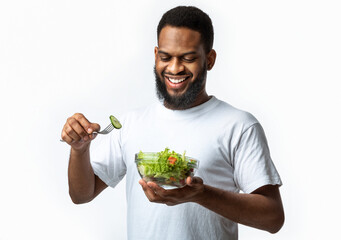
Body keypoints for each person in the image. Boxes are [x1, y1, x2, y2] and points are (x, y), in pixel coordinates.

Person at [61, 6, 284, 240]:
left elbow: (273, 218)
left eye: (188, 58)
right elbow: (81, 194)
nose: (175, 68)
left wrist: (200, 194)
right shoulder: (130, 124)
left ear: (210, 59)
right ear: (156, 54)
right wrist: (79, 150)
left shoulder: (238, 126)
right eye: (166, 57)